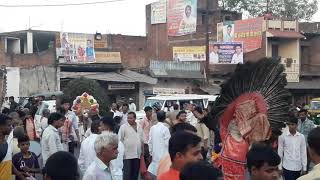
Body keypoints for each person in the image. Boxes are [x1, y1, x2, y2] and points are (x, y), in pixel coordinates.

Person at [278, 116, 307, 180]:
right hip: (287, 166)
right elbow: (280, 152)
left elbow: (303, 152)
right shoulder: (282, 136)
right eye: (289, 124)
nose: (290, 126)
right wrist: (280, 167)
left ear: (296, 125)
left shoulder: (301, 137)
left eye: (292, 124)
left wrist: (304, 168)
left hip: (298, 167)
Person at [118, 112, 143, 180]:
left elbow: (142, 140)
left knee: (135, 174)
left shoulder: (139, 126)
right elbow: (120, 140)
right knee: (127, 174)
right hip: (127, 155)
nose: (129, 119)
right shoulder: (123, 127)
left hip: (137, 154)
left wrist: (142, 152)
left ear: (135, 118)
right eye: (128, 118)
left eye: (131, 118)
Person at [99, 115, 125, 180]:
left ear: (106, 127)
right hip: (118, 175)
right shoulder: (119, 142)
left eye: (101, 125)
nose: (99, 128)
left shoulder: (103, 142)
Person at [148, 111, 171, 179]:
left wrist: (151, 153)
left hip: (155, 155)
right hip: (164, 156)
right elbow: (168, 143)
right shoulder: (165, 129)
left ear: (157, 118)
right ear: (164, 118)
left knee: (156, 174)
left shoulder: (153, 128)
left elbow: (150, 142)